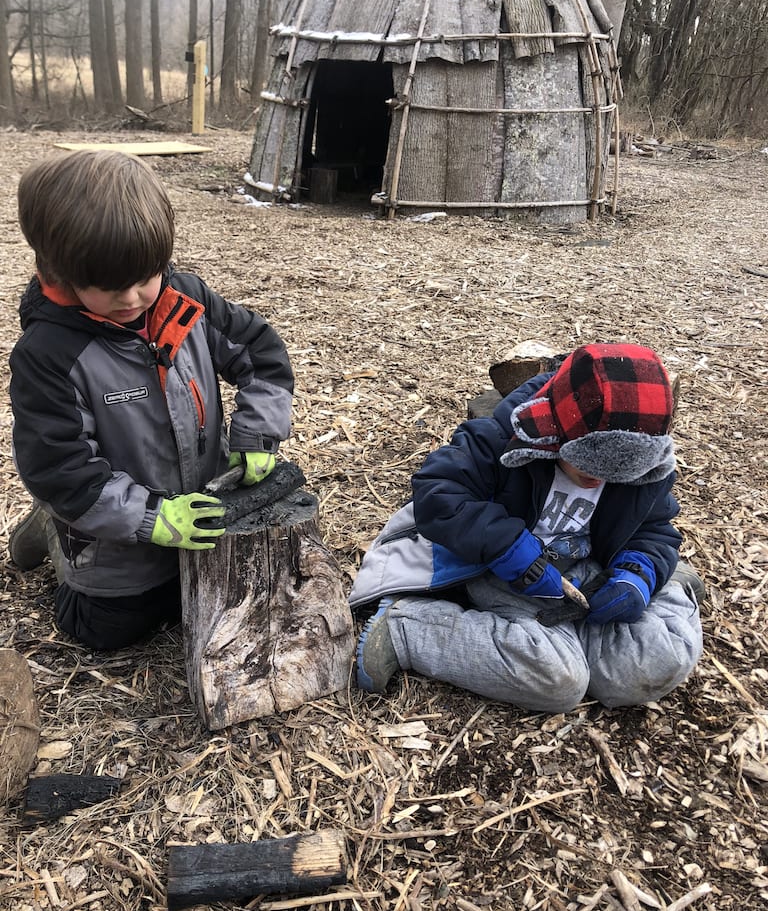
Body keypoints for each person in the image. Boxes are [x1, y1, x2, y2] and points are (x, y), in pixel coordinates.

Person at [8, 149, 294, 651]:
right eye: (108, 287)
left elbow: (261, 354)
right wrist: (151, 518)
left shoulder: (185, 299)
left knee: (212, 603)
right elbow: (59, 469)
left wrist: (257, 435)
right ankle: (57, 531)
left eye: (145, 278)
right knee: (106, 632)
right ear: (62, 270)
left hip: (204, 514)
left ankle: (64, 519)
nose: (132, 299)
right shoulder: (48, 355)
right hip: (119, 547)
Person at [350, 343, 704, 712]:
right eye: (588, 465)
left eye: (620, 472)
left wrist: (638, 574)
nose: (599, 479)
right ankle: (407, 628)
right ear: (558, 430)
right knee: (560, 682)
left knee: (659, 659)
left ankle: (663, 581)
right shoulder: (501, 436)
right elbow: (438, 493)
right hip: (507, 573)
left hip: (594, 569)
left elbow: (654, 528)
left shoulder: (647, 465)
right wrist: (508, 548)